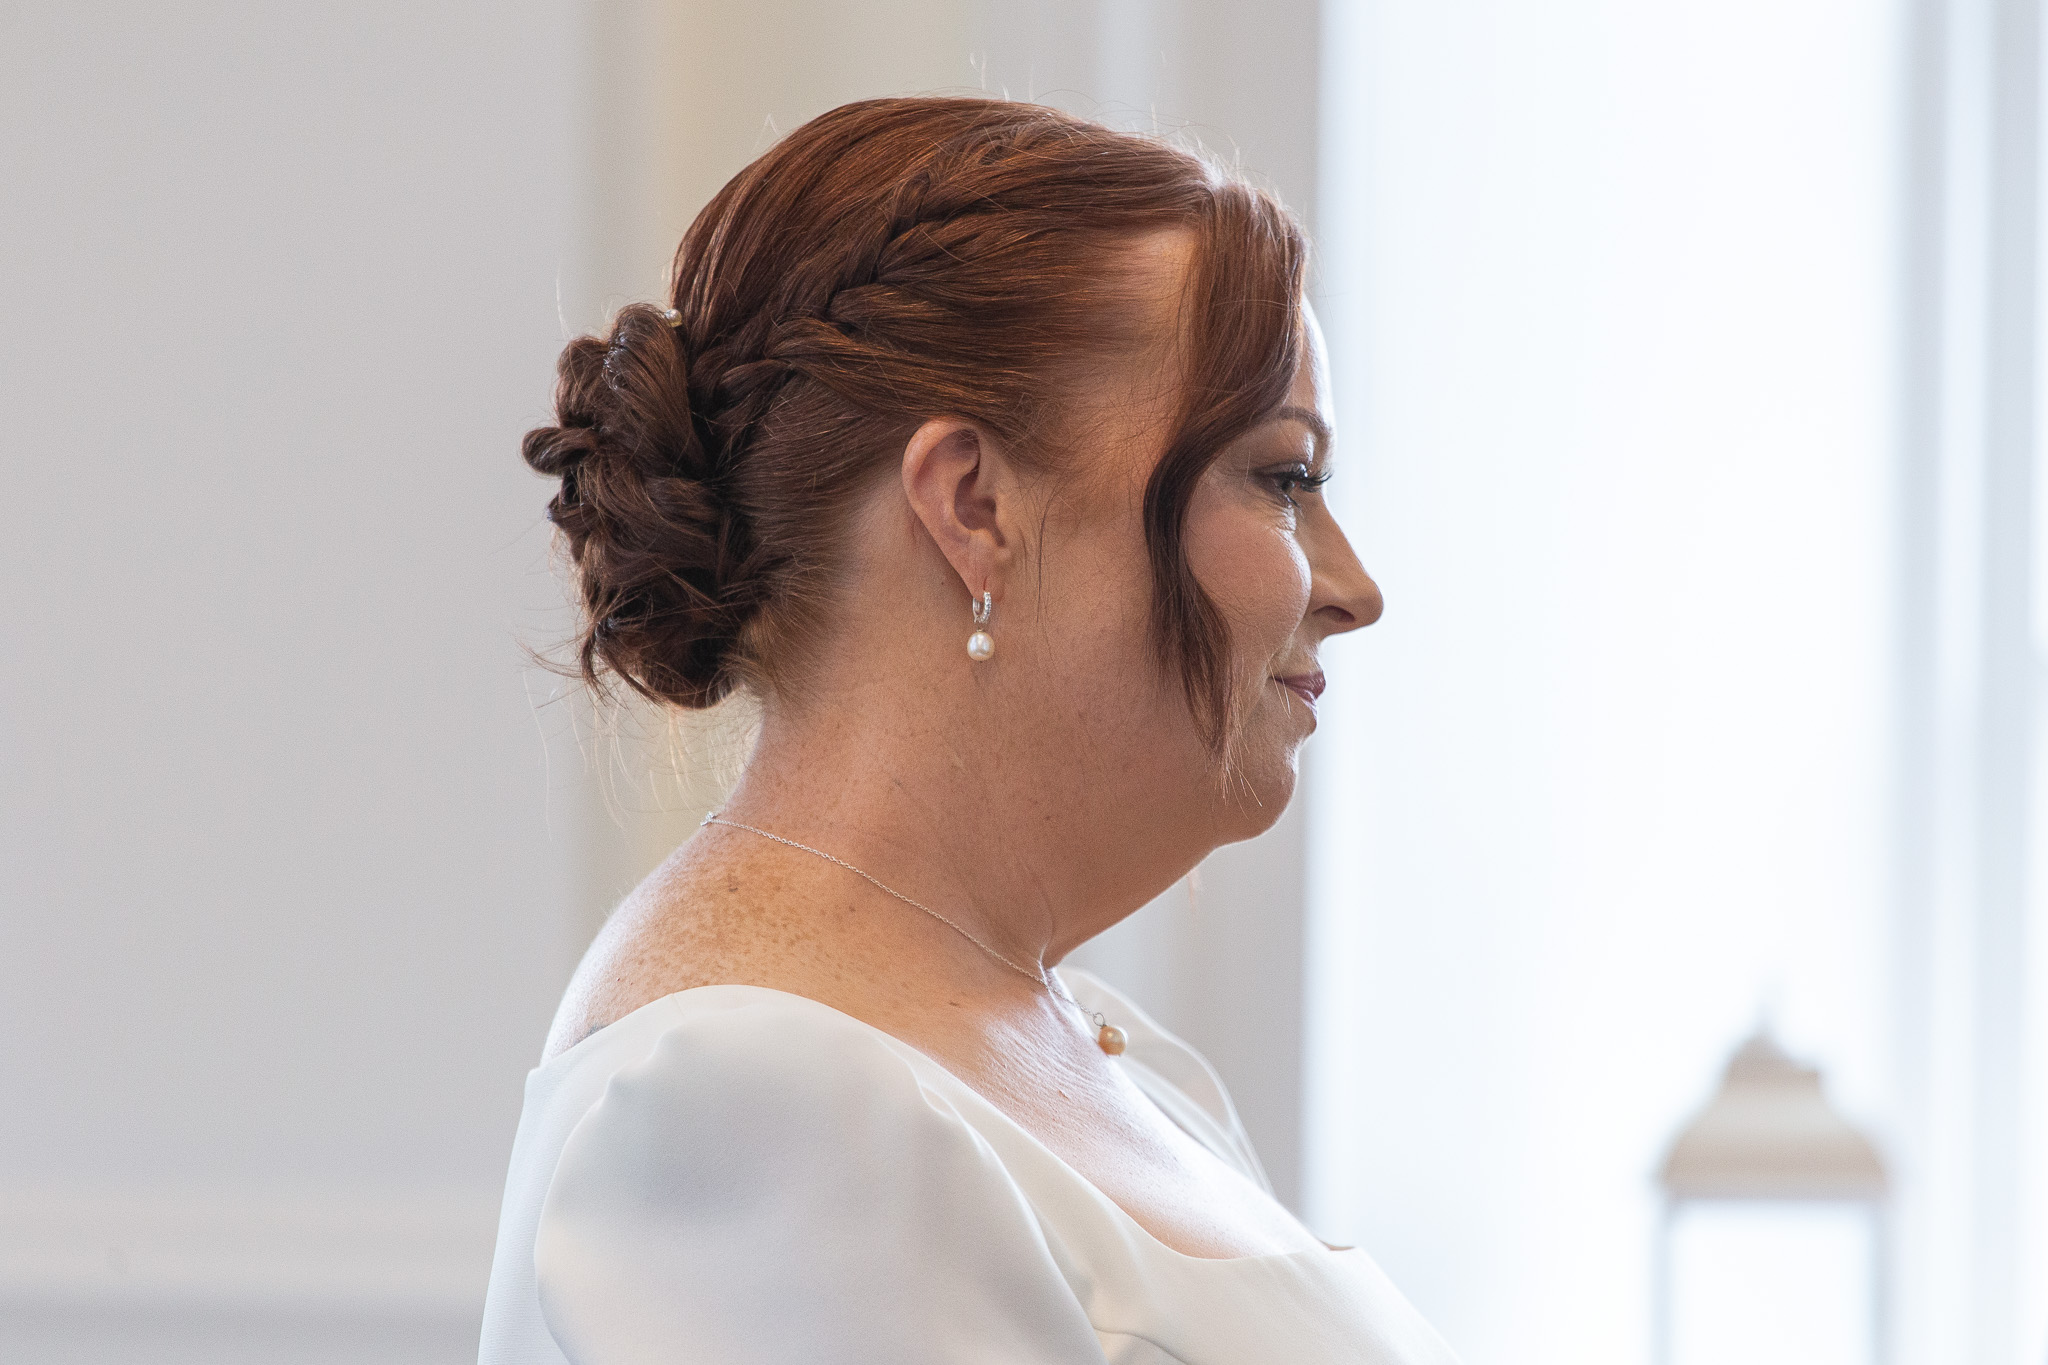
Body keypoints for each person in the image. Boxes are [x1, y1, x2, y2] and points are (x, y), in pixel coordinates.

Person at [480, 95, 1456, 1364]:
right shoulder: (763, 1111)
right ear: (974, 504)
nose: (1353, 588)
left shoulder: (1118, 1063)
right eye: (1281, 478)